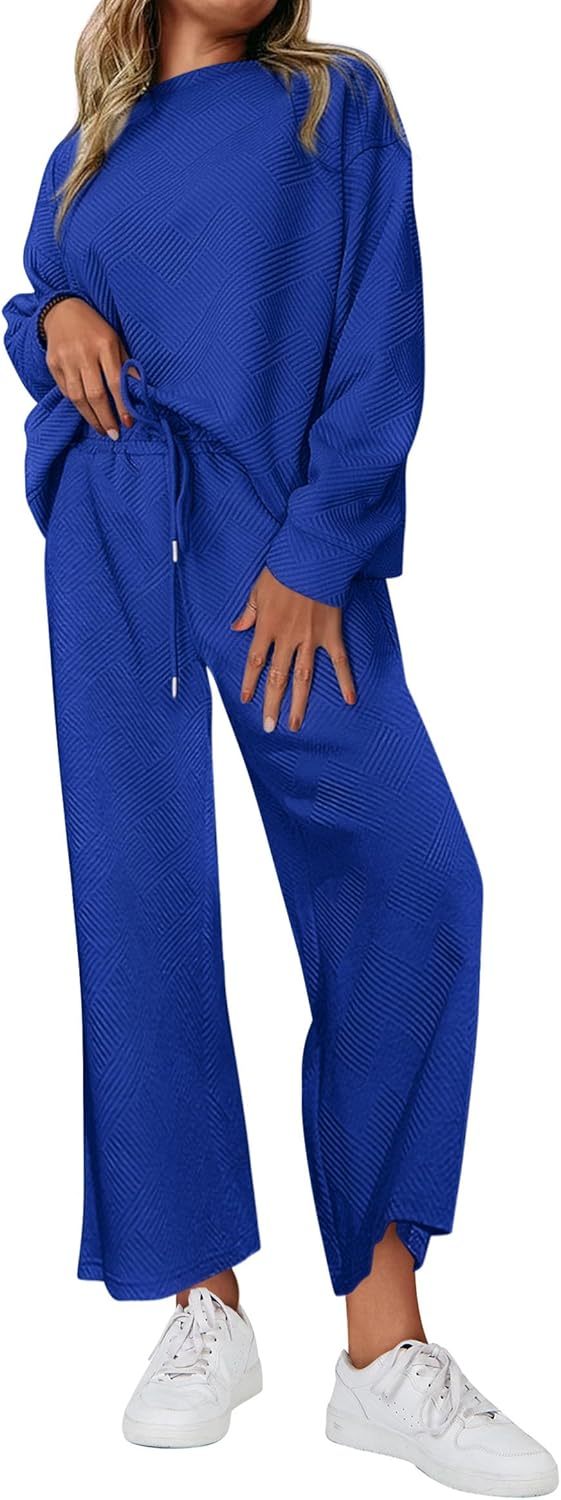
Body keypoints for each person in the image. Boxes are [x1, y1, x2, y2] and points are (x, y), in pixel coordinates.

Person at [3, 1, 557, 1492]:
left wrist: (318, 551)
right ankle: (204, 1304)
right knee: (139, 900)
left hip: (279, 551)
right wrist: (43, 321)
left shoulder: (334, 105)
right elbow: (46, 299)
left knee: (413, 882)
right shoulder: (84, 149)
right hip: (118, 529)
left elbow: (380, 331)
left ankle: (381, 1352)